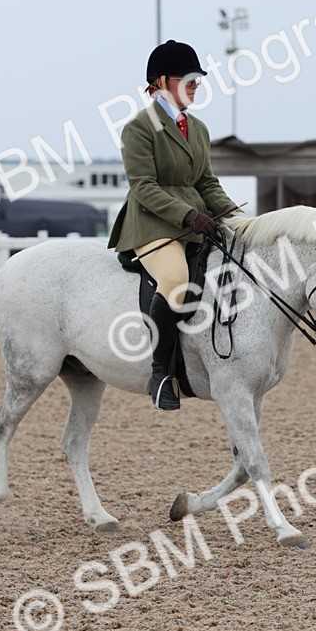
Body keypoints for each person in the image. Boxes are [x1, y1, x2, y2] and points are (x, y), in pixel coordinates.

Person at [107, 39, 238, 411]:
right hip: (151, 224)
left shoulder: (198, 128)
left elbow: (206, 183)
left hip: (195, 222)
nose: (196, 86)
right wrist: (187, 215)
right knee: (177, 279)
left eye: (198, 80)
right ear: (162, 82)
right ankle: (160, 372)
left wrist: (236, 219)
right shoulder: (139, 128)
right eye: (189, 79)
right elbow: (144, 186)